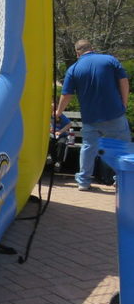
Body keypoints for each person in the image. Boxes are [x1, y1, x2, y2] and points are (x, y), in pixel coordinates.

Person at [55, 39, 131, 191]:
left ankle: (83, 182)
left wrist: (58, 112)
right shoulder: (109, 60)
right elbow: (123, 81)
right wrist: (124, 102)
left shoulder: (74, 69)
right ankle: (121, 181)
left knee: (88, 148)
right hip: (114, 113)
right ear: (92, 48)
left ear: (77, 53)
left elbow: (66, 94)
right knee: (122, 148)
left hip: (90, 118)